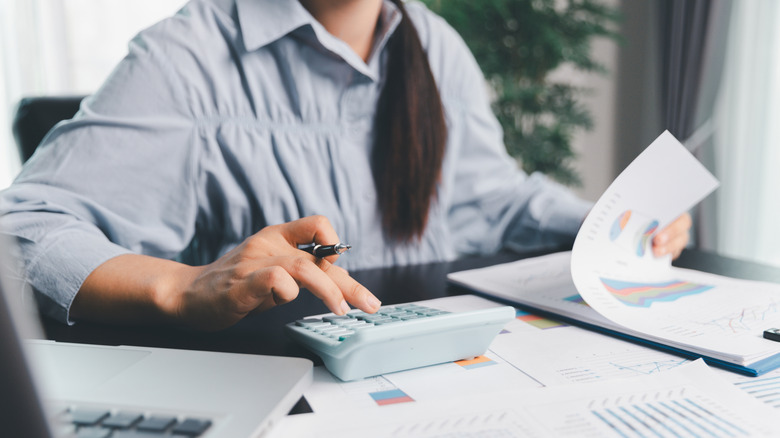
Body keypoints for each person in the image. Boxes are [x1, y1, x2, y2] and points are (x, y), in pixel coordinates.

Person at [0, 0, 691, 331]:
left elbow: (492, 198)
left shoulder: (437, 48)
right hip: (287, 392)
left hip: (436, 372)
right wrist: (181, 286)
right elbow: (21, 231)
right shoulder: (186, 59)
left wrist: (615, 220)